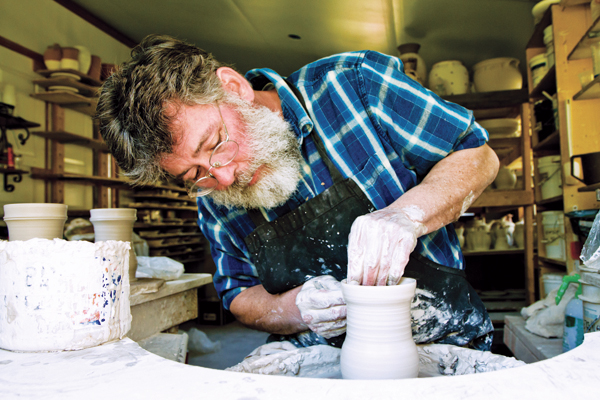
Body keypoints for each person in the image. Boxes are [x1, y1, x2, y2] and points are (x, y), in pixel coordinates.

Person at [97, 34, 499, 351]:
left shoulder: (355, 84)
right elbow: (237, 294)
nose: (222, 178)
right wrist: (294, 309)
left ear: (234, 87)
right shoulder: (215, 199)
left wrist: (407, 214)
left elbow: (479, 156)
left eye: (216, 144)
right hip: (316, 357)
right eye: (194, 174)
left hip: (445, 336)